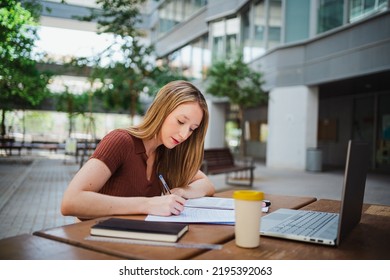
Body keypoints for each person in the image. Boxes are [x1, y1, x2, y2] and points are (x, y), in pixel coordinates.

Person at [61, 80, 215, 220]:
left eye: (192, 129)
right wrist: (147, 204)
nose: (184, 135)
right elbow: (70, 202)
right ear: (162, 110)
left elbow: (206, 185)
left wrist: (181, 192)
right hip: (94, 239)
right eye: (181, 121)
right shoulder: (121, 141)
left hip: (132, 240)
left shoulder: (166, 153)